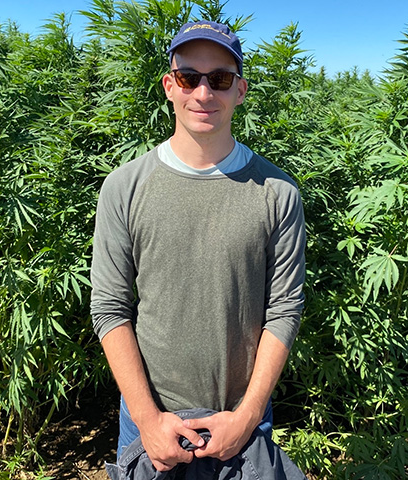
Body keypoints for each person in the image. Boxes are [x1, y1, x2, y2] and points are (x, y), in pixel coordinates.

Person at [90, 20, 306, 473]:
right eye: (190, 77)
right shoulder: (124, 187)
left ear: (241, 90)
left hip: (241, 421)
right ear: (169, 85)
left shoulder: (278, 192)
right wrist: (149, 419)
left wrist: (246, 417)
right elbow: (109, 307)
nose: (204, 93)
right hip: (148, 421)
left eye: (220, 79)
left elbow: (285, 310)